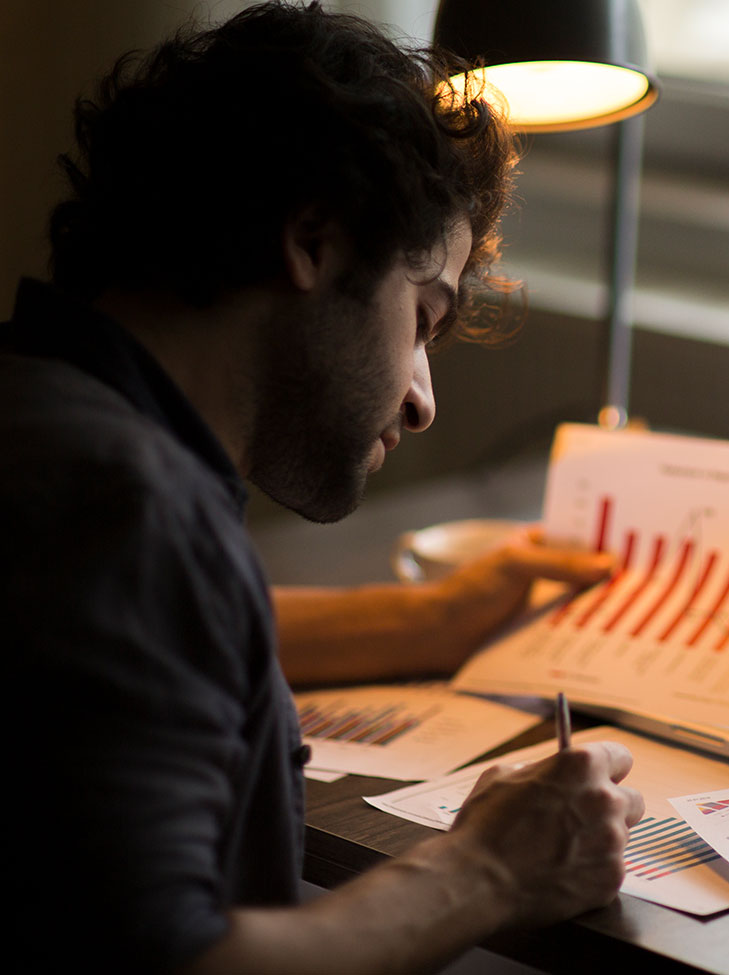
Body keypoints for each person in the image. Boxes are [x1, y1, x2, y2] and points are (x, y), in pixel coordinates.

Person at [5, 3, 644, 971]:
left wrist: (429, 621)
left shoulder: (46, 423)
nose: (424, 400)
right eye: (423, 317)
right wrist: (489, 872)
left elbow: (155, 635)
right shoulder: (128, 507)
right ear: (312, 240)